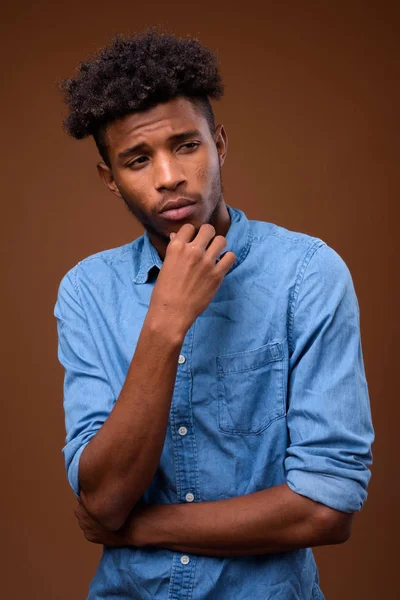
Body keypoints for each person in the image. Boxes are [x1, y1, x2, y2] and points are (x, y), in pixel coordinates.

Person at [54, 28, 375, 600]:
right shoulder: (85, 292)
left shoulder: (308, 275)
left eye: (185, 145)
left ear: (218, 143)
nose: (169, 176)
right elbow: (102, 498)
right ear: (110, 179)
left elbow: (328, 508)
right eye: (137, 158)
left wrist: (144, 527)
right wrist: (166, 324)